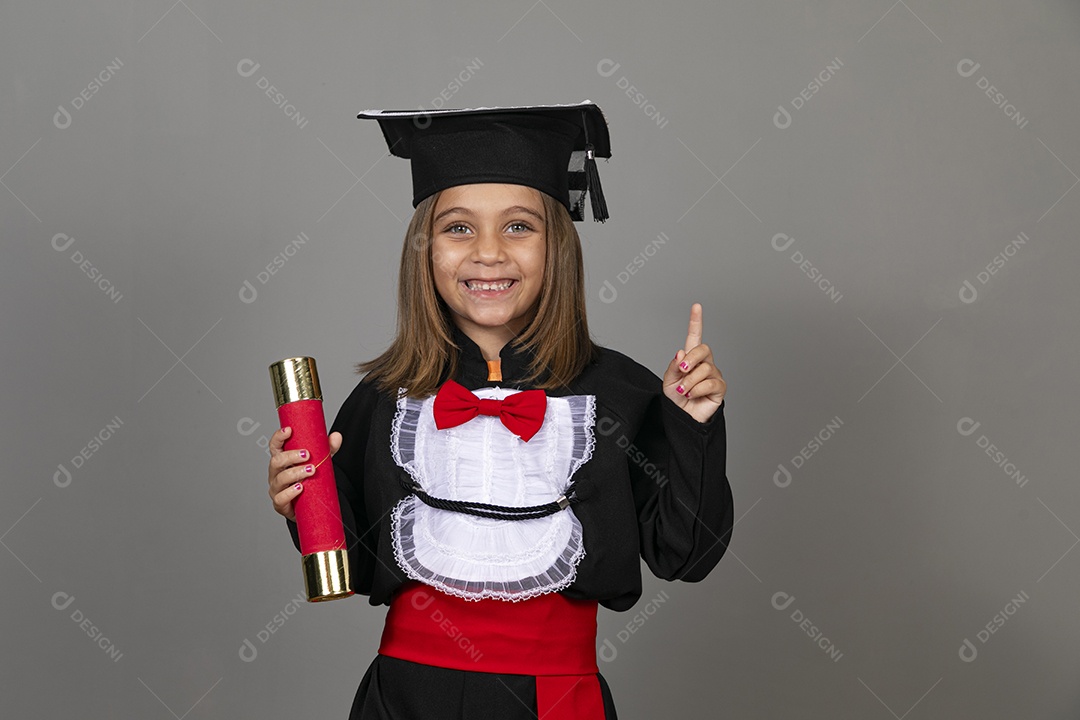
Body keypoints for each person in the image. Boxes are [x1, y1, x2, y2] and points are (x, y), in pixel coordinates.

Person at [266, 101, 734, 719]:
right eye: (458, 228)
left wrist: (693, 425)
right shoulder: (385, 397)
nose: (488, 253)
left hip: (555, 698)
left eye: (519, 226)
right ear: (423, 250)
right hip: (407, 696)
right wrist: (301, 499)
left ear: (557, 247)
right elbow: (349, 567)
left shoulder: (622, 393)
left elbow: (687, 555)